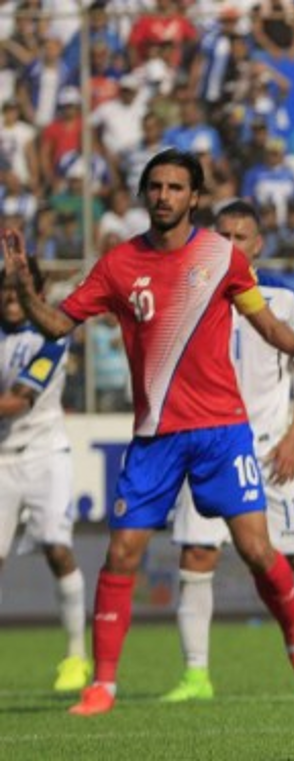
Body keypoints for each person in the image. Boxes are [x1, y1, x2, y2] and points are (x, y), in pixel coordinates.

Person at [1, 149, 294, 716]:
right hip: (155, 436)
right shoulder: (117, 265)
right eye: (155, 186)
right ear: (144, 194)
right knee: (122, 551)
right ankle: (102, 686)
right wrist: (27, 289)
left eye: (176, 187)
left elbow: (266, 325)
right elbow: (59, 324)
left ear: (194, 197)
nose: (164, 196)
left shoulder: (221, 258)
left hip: (221, 431)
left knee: (258, 550)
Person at [161, 200, 294, 703]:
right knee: (197, 555)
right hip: (206, 448)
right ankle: (195, 676)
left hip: (271, 451)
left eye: (241, 237)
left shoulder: (283, 298)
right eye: (222, 235)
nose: (231, 245)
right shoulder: (187, 293)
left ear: (258, 244)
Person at [0, 255, 90, 693]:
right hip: (1, 460)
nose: (9, 297)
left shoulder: (50, 334)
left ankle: (76, 655)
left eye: (17, 288)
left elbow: (19, 399)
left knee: (57, 547)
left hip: (44, 454)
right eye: (4, 289)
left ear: (34, 292)